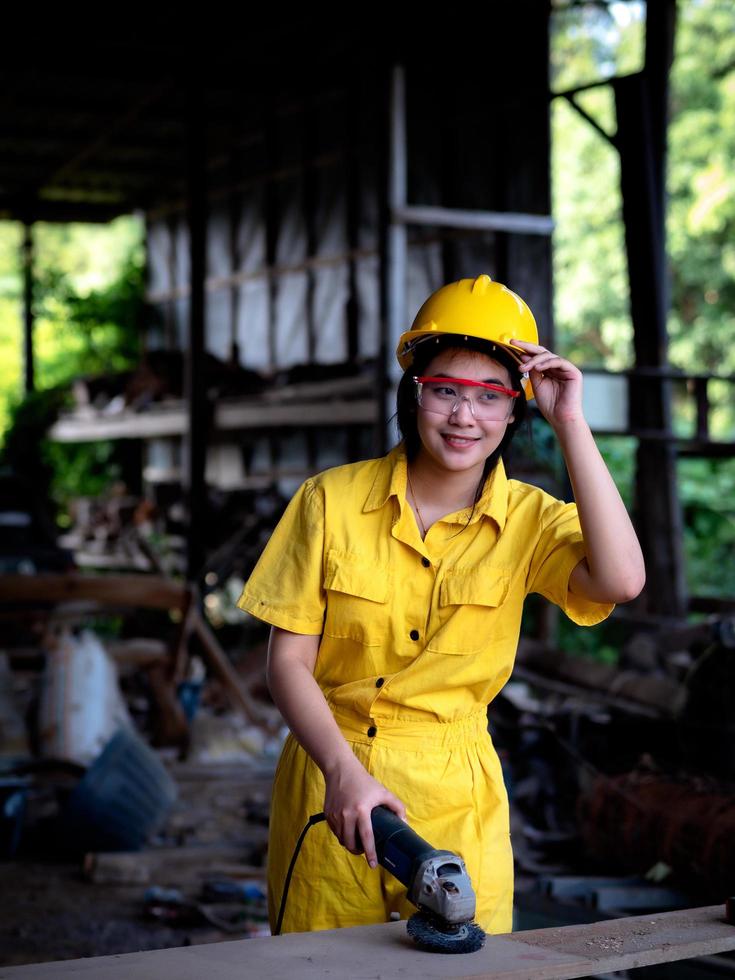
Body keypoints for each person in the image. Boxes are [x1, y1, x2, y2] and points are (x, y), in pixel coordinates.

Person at [237, 274, 645, 936]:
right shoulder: (329, 501)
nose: (464, 416)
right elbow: (287, 662)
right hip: (332, 778)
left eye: (489, 397)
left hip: (457, 789)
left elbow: (621, 580)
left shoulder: (530, 521)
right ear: (413, 393)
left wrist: (569, 421)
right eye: (445, 392)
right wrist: (344, 774)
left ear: (515, 411)